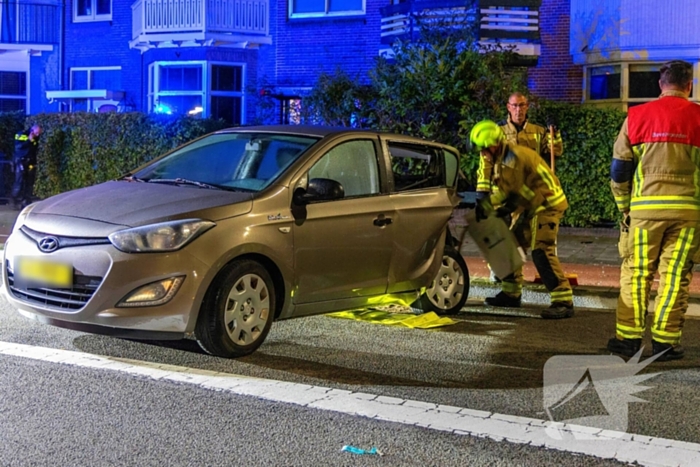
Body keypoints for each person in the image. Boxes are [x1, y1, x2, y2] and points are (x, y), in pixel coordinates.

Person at [607, 60, 700, 361]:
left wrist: (625, 207)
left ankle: (629, 340)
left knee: (636, 274)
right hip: (688, 214)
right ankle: (665, 343)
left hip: (645, 212)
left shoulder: (637, 117)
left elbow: (620, 170)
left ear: (661, 84)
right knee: (674, 277)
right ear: (689, 85)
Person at [470, 120, 574, 319]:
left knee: (541, 251)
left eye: (484, 149)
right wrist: (485, 205)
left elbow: (518, 194)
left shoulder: (514, 158)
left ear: (494, 144)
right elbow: (509, 190)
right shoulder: (505, 157)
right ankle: (511, 293)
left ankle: (563, 300)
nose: (482, 154)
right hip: (532, 204)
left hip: (547, 204)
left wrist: (502, 210)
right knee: (509, 244)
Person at [12, 124, 41, 209]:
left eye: (39, 133)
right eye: (36, 133)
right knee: (19, 182)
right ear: (32, 130)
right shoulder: (21, 134)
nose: (38, 135)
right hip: (20, 161)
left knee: (29, 183)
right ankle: (15, 200)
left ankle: (26, 201)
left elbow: (34, 150)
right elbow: (18, 147)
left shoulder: (36, 137)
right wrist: (28, 140)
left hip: (30, 162)